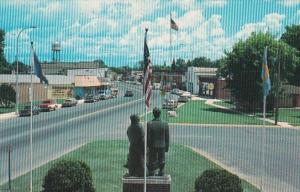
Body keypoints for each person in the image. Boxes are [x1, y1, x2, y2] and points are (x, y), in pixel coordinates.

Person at [147, 107, 170, 176]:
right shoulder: (165, 123)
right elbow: (167, 137)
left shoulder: (149, 123)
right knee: (162, 160)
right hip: (162, 146)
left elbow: (148, 137)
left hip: (152, 146)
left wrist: (147, 146)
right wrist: (167, 147)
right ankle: (161, 171)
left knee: (152, 160)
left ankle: (151, 171)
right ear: (160, 114)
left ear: (153, 114)